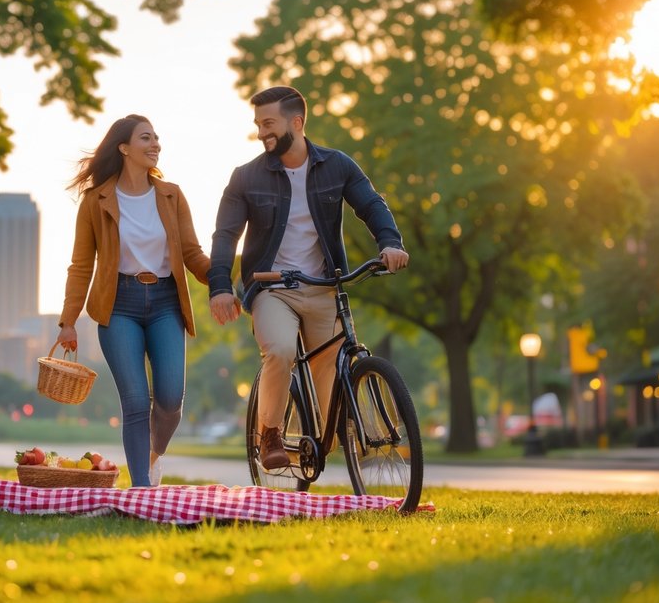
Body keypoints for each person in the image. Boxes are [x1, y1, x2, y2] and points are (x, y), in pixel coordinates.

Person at [208, 86, 410, 470]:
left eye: (268, 124)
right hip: (271, 289)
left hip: (323, 286)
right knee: (281, 350)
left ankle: (331, 438)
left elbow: (371, 204)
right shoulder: (246, 178)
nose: (261, 132)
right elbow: (224, 236)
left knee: (331, 384)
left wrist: (390, 243)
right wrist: (220, 286)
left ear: (296, 123)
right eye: (258, 124)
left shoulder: (337, 166)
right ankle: (269, 433)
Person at [57, 115, 211, 487]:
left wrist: (223, 281)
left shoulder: (171, 195)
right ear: (124, 148)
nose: (155, 143)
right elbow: (81, 265)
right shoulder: (97, 201)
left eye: (157, 137)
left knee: (171, 398)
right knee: (137, 403)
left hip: (165, 303)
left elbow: (192, 253)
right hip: (118, 305)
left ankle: (155, 452)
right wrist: (68, 320)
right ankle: (141, 488)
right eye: (146, 138)